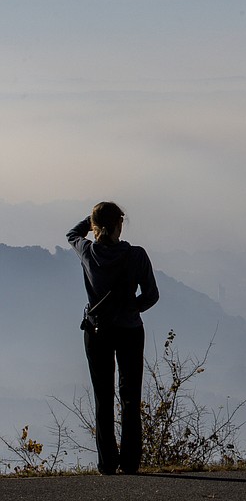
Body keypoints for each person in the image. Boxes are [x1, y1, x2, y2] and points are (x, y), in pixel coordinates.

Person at [67, 202, 159, 475]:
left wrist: (92, 220)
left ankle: (107, 462)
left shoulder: (88, 252)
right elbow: (151, 295)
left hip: (97, 331)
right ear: (120, 224)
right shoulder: (136, 256)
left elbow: (72, 233)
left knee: (103, 396)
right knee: (130, 397)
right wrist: (132, 308)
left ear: (95, 227)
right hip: (130, 331)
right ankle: (130, 462)